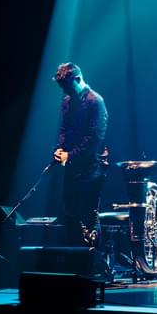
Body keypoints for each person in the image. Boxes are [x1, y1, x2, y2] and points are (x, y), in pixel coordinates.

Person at [52, 62, 108, 247]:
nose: (65, 91)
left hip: (91, 167)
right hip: (72, 165)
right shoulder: (68, 100)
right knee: (70, 213)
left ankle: (93, 261)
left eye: (67, 86)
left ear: (78, 79)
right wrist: (60, 149)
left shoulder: (95, 101)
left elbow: (94, 138)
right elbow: (64, 128)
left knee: (89, 214)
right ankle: (75, 258)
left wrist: (70, 155)